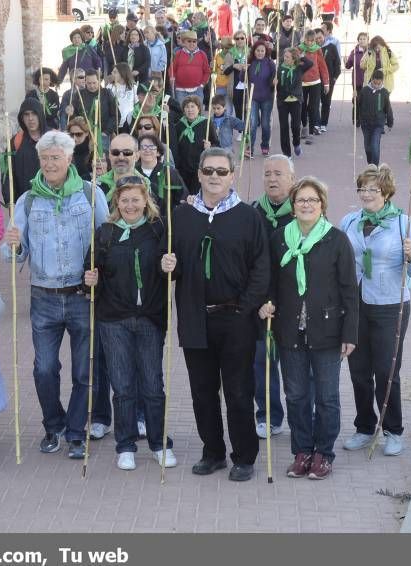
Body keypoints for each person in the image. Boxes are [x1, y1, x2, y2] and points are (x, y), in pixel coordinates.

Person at [161, 147, 269, 482]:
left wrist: (245, 309)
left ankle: (244, 455)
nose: (214, 177)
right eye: (208, 171)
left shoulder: (249, 217)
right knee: (202, 390)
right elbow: (171, 264)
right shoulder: (181, 216)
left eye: (221, 172)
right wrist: (168, 267)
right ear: (198, 173)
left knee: (238, 390)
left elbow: (261, 268)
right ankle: (213, 451)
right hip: (196, 316)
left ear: (232, 175)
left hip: (236, 317)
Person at [2, 131, 109, 459]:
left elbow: (107, 243)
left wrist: (99, 272)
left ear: (69, 159)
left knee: (84, 369)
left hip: (81, 294)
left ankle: (76, 433)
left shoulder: (91, 195)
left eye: (55, 158)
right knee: (44, 368)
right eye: (44, 158)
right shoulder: (27, 200)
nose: (49, 164)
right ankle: (54, 425)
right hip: (44, 296)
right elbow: (13, 256)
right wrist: (12, 243)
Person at [259, 176, 358, 480]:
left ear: (322, 205)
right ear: (293, 204)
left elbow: (349, 291)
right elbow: (270, 281)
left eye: (312, 200)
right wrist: (268, 302)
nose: (306, 205)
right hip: (289, 330)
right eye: (300, 199)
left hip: (327, 331)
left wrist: (349, 334)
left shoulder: (336, 240)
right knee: (297, 395)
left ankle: (324, 453)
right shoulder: (279, 239)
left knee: (327, 397)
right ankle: (302, 451)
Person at [83, 177, 175, 471]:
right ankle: (125, 445)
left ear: (145, 200)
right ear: (116, 204)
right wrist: (90, 281)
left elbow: (171, 269)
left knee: (152, 383)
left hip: (149, 316)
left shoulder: (159, 230)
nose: (130, 206)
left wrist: (169, 266)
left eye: (136, 200)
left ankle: (159, 443)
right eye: (124, 201)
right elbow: (90, 272)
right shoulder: (106, 233)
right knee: (122, 386)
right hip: (114, 319)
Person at [340, 164, 411, 457]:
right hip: (356, 304)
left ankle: (392, 429)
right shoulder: (350, 221)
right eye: (362, 188)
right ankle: (364, 426)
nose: (366, 194)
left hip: (390, 305)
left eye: (372, 189)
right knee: (359, 370)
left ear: (386, 192)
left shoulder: (404, 223)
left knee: (386, 370)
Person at [250, 155, 296, 438]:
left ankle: (303, 414)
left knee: (296, 365)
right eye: (267, 173)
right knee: (262, 363)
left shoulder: (304, 211)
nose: (272, 178)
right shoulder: (253, 212)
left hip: (293, 302)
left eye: (278, 173)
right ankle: (268, 415)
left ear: (292, 178)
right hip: (262, 304)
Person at [2, 97, 50, 204]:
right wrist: (10, 201)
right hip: (25, 202)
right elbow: (8, 174)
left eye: (34, 114)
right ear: (22, 118)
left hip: (52, 202)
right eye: (26, 114)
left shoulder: (54, 138)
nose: (31, 118)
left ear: (40, 115)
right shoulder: (15, 142)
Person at [174, 95, 220, 194]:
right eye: (187, 107)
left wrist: (210, 146)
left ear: (198, 108)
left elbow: (217, 144)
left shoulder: (206, 124)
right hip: (183, 168)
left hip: (199, 167)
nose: (190, 110)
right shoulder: (179, 125)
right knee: (185, 194)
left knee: (197, 194)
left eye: (192, 106)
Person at [275, 47, 313, 157]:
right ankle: (287, 153)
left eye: (287, 57)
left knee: (296, 126)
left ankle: (296, 143)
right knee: (284, 127)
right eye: (284, 56)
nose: (284, 58)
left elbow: (310, 63)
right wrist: (273, 83)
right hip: (282, 100)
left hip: (296, 100)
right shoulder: (280, 68)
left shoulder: (299, 68)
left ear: (293, 58)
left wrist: (301, 56)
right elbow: (272, 83)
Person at [137, 132, 187, 213]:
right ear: (138, 152)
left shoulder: (170, 173)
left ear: (158, 152)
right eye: (143, 147)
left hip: (164, 221)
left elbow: (182, 197)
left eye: (151, 147)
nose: (147, 150)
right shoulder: (133, 173)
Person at [246, 41, 277, 159]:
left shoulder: (270, 63)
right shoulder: (250, 63)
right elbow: (242, 79)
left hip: (266, 97)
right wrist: (244, 70)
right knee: (253, 124)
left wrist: (274, 82)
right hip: (253, 97)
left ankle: (265, 145)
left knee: (265, 124)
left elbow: (274, 78)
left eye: (262, 51)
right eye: (258, 50)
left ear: (266, 52)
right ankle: (250, 148)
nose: (260, 53)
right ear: (254, 51)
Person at [98, 134, 150, 202]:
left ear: (137, 156)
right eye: (115, 152)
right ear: (110, 155)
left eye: (127, 153)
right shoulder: (97, 188)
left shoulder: (146, 187)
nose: (121, 157)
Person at [298, 29, 329, 143]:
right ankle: (304, 126)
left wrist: (326, 83)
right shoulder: (299, 49)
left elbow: (322, 67)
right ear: (304, 39)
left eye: (312, 41)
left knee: (313, 108)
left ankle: (311, 132)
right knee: (302, 107)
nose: (310, 43)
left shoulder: (317, 50)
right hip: (302, 82)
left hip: (315, 82)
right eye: (308, 40)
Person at [358, 70, 394, 166]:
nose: (377, 85)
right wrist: (354, 98)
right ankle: (370, 164)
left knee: (374, 145)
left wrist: (390, 122)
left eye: (379, 83)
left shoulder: (384, 92)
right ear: (372, 80)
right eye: (375, 83)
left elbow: (388, 108)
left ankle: (375, 168)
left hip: (378, 124)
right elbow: (358, 104)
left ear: (382, 81)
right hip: (365, 124)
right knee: (367, 147)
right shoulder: (365, 90)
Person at [170, 30, 210, 106]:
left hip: (197, 90)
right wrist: (172, 77)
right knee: (182, 112)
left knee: (197, 113)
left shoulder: (202, 54)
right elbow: (172, 69)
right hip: (181, 90)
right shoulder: (178, 54)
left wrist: (202, 85)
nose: (192, 44)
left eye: (194, 41)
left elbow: (207, 72)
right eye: (189, 41)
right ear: (184, 42)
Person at [71, 69, 116, 137]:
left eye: (94, 83)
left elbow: (115, 115)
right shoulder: (79, 94)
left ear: (99, 81)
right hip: (85, 135)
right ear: (85, 81)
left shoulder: (107, 93)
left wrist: (107, 131)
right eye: (89, 83)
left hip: (103, 134)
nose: (92, 86)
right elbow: (74, 115)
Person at [315, 27, 340, 134]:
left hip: (328, 80)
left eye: (320, 38)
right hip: (315, 80)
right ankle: (316, 123)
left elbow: (337, 64)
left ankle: (324, 124)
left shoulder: (331, 47)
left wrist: (334, 78)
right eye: (316, 39)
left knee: (326, 102)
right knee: (315, 103)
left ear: (324, 36)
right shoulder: (313, 48)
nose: (318, 40)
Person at [227, 30, 250, 129]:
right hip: (235, 86)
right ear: (234, 40)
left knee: (247, 109)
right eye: (237, 38)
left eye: (242, 38)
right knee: (238, 109)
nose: (240, 40)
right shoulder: (230, 53)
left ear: (245, 39)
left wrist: (248, 66)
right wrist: (233, 66)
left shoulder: (250, 52)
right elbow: (225, 71)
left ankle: (248, 130)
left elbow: (257, 66)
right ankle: (241, 130)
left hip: (248, 85)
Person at [346, 33, 369, 126]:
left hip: (368, 81)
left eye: (364, 39)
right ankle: (356, 120)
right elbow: (348, 65)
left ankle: (365, 119)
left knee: (366, 101)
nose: (362, 40)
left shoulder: (370, 52)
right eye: (360, 39)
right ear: (358, 40)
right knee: (356, 100)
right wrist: (346, 62)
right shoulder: (354, 52)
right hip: (357, 81)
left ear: (368, 40)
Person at [108, 62, 138, 133]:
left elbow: (136, 104)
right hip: (114, 123)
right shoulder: (110, 87)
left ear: (122, 73)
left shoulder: (133, 88)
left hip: (128, 123)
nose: (112, 73)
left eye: (115, 72)